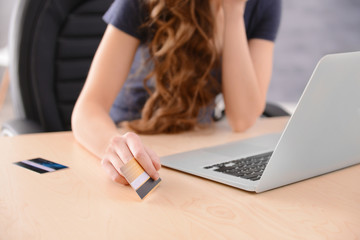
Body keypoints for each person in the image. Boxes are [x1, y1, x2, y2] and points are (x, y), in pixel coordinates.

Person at [71, 0, 282, 185]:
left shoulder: (264, 4)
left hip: (193, 149)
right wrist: (114, 146)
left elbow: (242, 119)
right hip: (137, 143)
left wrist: (234, 10)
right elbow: (89, 107)